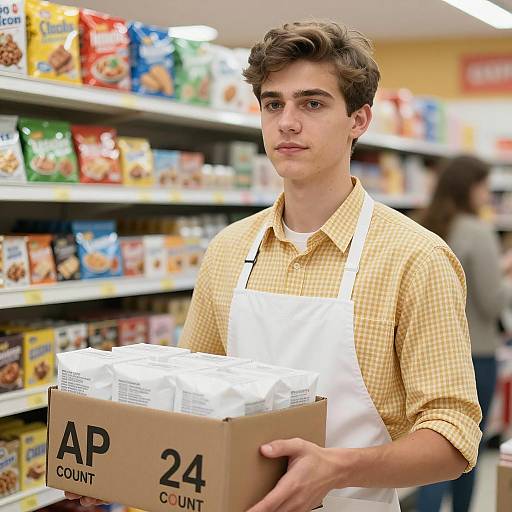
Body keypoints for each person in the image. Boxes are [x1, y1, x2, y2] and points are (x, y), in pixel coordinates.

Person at [66, 21, 482, 512]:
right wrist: (120, 463)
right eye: (272, 103)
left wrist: (336, 469)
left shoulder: (415, 258)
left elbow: (453, 437)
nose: (287, 122)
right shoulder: (228, 250)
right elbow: (185, 402)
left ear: (359, 120)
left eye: (312, 103)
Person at [418, 155, 512, 512]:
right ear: (469, 187)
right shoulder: (478, 231)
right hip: (474, 353)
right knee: (465, 451)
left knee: (431, 449)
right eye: (484, 186)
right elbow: (492, 302)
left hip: (431, 352)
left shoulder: (426, 226)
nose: (487, 194)